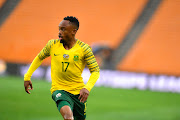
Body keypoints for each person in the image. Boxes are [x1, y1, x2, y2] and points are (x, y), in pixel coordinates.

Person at [24, 16, 100, 120]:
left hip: (78, 94)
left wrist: (87, 88)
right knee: (68, 117)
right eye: (59, 29)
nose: (59, 32)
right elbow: (39, 57)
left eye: (63, 29)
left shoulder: (84, 48)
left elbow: (95, 71)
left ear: (73, 31)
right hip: (59, 90)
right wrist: (27, 76)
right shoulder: (52, 45)